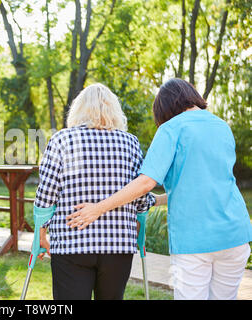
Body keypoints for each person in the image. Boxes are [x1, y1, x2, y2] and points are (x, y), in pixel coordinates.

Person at [67, 78, 252, 300]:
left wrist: (97, 208)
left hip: (194, 240)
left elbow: (145, 182)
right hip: (235, 235)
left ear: (165, 107)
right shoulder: (222, 126)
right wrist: (158, 200)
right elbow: (203, 184)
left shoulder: (171, 128)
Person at [34, 83, 166, 300]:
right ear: (114, 111)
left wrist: (40, 234)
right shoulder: (130, 142)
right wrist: (160, 200)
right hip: (118, 245)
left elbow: (46, 196)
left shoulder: (62, 140)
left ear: (78, 109)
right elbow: (140, 198)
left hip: (71, 243)